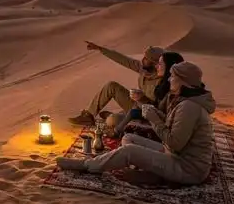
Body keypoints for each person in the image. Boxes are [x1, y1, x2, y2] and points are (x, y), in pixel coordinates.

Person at [56, 61, 216, 185]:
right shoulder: (184, 101)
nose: (169, 79)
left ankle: (87, 165)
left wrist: (153, 118)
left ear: (183, 82)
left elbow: (175, 144)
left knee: (129, 151)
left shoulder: (189, 106)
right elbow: (173, 126)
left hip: (187, 168)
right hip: (175, 156)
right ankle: (151, 173)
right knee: (129, 138)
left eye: (173, 76)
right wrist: (157, 113)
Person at [68, 42, 165, 127]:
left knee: (112, 120)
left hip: (145, 114)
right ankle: (89, 116)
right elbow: (124, 60)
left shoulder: (163, 83)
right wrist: (100, 49)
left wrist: (143, 99)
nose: (142, 60)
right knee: (111, 86)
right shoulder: (143, 69)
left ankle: (116, 116)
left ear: (154, 63)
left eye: (146, 59)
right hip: (135, 105)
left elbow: (158, 111)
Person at [111, 51, 185, 137]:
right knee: (116, 118)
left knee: (122, 122)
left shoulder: (174, 90)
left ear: (169, 67)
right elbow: (125, 60)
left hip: (160, 128)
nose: (156, 66)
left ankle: (117, 131)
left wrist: (143, 100)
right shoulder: (163, 84)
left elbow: (165, 118)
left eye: (160, 64)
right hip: (151, 116)